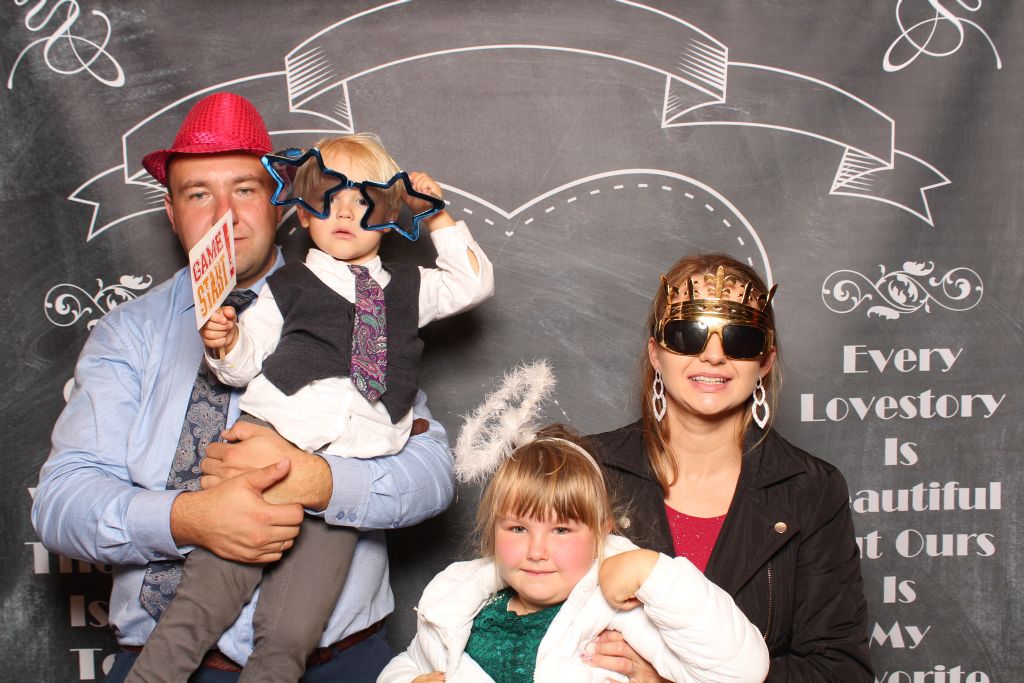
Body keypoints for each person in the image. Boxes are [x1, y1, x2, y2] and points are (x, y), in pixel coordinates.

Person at [31, 92, 457, 683]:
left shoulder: (362, 299)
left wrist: (319, 480)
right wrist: (189, 518)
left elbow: (432, 474)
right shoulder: (129, 334)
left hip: (334, 664)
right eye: (198, 194)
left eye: (245, 190)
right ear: (171, 211)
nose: (224, 215)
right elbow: (61, 504)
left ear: (283, 204)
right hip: (161, 661)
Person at [128, 132, 494, 683]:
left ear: (389, 215)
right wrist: (225, 342)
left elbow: (474, 283)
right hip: (268, 448)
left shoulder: (413, 287)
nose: (345, 212)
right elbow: (243, 365)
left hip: (344, 472)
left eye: (365, 200)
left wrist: (437, 216)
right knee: (199, 608)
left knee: (292, 632)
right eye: (328, 198)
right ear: (301, 210)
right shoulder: (287, 286)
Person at [380, 363, 770, 683]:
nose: (537, 551)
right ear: (493, 530)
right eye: (518, 529)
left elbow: (741, 671)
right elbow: (409, 663)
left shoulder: (618, 613)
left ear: (601, 531)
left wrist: (654, 573)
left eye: (561, 530)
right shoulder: (458, 601)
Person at [587, 253, 873, 682]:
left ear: (765, 361)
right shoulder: (587, 469)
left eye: (740, 338)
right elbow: (521, 615)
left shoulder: (810, 490)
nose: (714, 355)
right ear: (655, 353)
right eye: (688, 334)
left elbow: (839, 671)